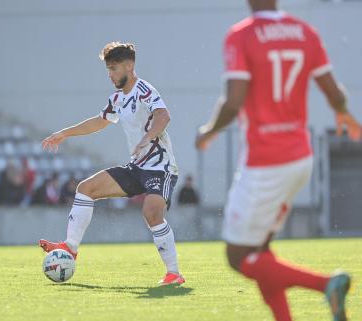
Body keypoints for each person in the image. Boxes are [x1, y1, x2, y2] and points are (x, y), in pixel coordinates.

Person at [195, 1, 361, 320]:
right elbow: (334, 92)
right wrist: (343, 113)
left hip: (265, 164)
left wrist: (208, 131)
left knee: (237, 257)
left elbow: (233, 101)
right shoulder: (305, 32)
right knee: (259, 253)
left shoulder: (241, 35)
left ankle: (328, 284)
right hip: (299, 157)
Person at [39, 42, 184, 285]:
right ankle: (70, 248)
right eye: (108, 69)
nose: (110, 75)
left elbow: (163, 115)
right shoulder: (117, 97)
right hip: (136, 168)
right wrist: (64, 133)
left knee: (152, 212)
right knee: (86, 189)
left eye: (114, 69)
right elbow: (99, 121)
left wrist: (147, 138)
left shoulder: (144, 90)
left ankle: (174, 273)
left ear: (129, 66)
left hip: (161, 168)